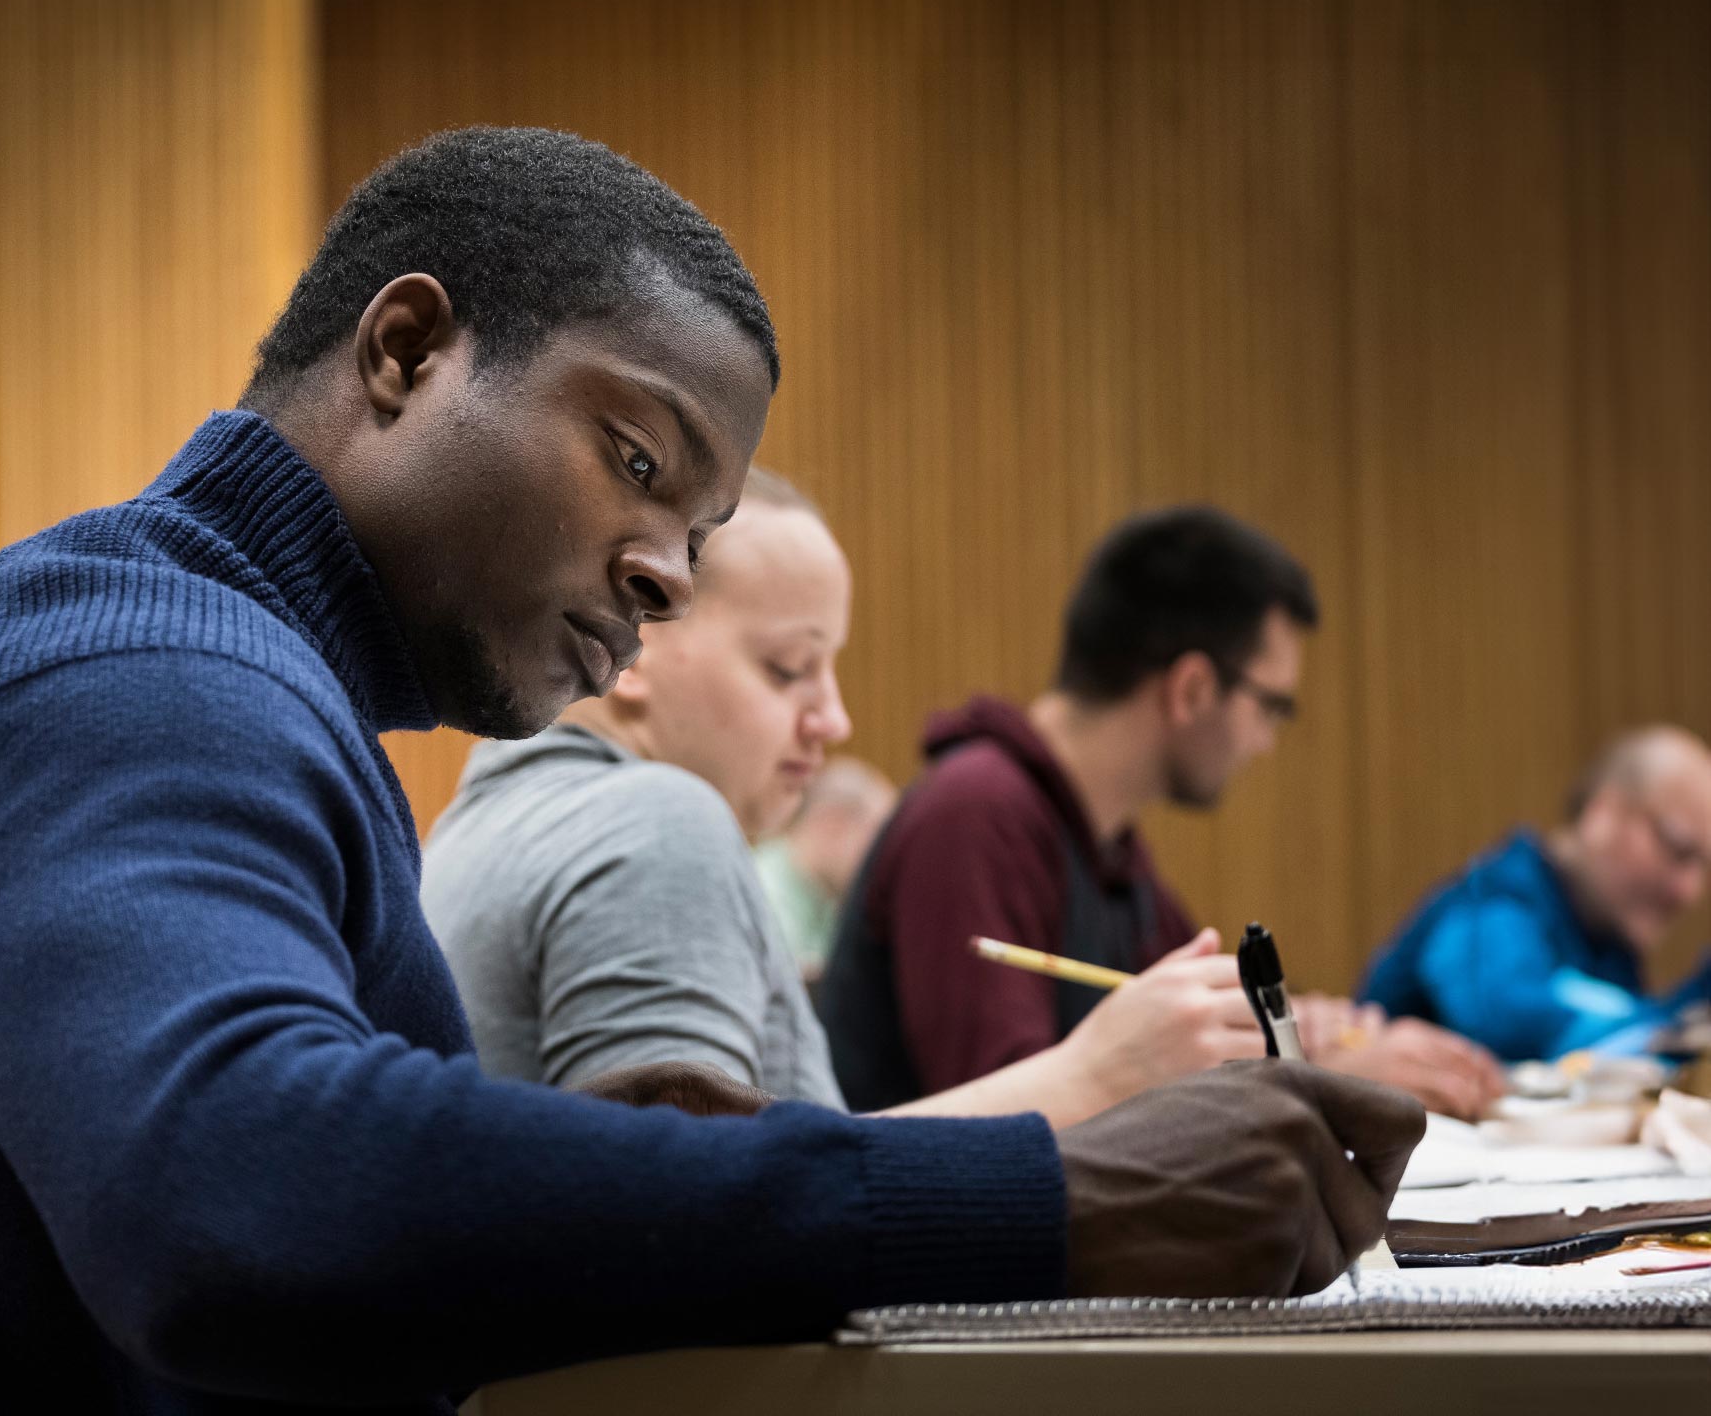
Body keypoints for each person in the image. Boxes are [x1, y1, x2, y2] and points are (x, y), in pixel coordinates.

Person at [0, 127, 1424, 1416]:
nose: (670, 575)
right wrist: (1043, 1200)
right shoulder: (136, 673)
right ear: (405, 354)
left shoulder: (211, 666)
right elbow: (230, 1194)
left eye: (697, 530)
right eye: (638, 459)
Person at [426, 469, 1288, 1129]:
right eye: (788, 669)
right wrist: (1093, 1076)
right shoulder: (652, 825)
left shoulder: (475, 828)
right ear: (635, 647)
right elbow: (693, 1224)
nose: (833, 719)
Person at [817, 506, 1504, 1122]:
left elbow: (1204, 1038)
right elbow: (1008, 1128)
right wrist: (1311, 1077)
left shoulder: (1106, 840)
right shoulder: (973, 815)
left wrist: (1305, 1034)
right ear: (1193, 688)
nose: (1267, 743)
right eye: (1272, 707)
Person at [1360, 727, 1711, 1061]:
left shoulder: (1608, 942)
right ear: (1603, 813)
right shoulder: (1494, 902)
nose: (1689, 891)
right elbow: (1516, 1029)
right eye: (1678, 851)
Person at [757, 758, 895, 983]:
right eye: (877, 841)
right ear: (833, 825)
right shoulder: (760, 891)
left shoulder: (829, 899)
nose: (882, 861)